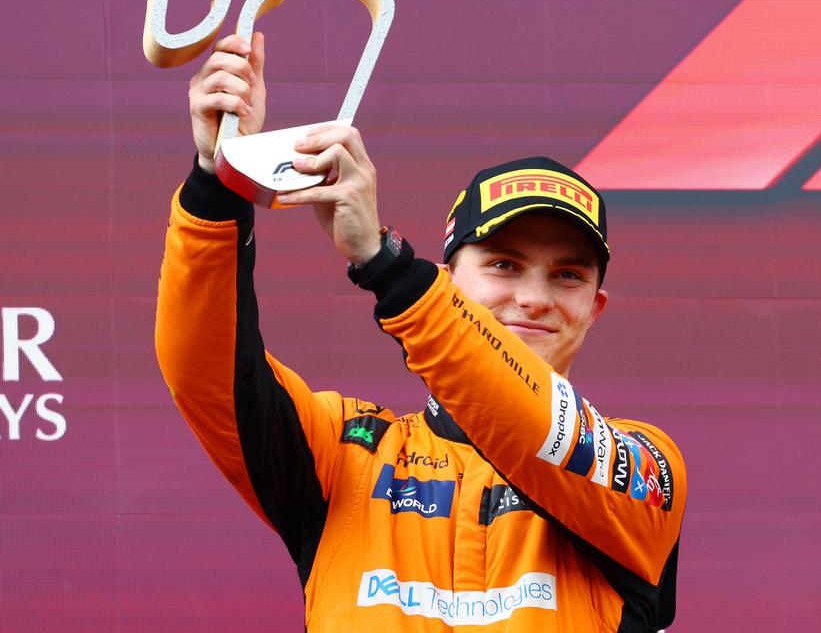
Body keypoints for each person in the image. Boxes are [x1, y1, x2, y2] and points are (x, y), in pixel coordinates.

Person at [155, 32, 685, 631]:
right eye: (503, 265)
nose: (534, 298)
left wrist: (384, 264)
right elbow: (207, 373)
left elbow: (534, 426)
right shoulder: (345, 453)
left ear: (595, 308)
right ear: (449, 283)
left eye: (567, 275)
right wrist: (216, 182)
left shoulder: (644, 467)